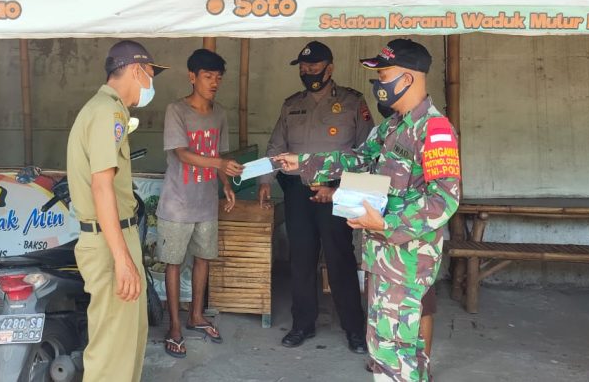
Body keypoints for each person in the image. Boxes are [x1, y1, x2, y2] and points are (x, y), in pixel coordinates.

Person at [273, 38, 461, 382]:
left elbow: (444, 199)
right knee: (386, 345)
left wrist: (386, 222)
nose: (377, 84)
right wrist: (304, 161)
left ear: (407, 79)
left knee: (394, 351)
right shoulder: (392, 127)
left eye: (383, 74)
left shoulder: (434, 130)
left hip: (406, 258)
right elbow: (357, 159)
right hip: (381, 255)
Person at [259, 41, 372, 352]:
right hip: (297, 191)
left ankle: (353, 329)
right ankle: (302, 324)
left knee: (341, 260)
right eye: (304, 67)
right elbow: (275, 146)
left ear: (330, 68)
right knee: (301, 260)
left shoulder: (353, 102)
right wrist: (265, 181)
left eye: (314, 66)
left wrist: (344, 189)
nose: (308, 71)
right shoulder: (291, 104)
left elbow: (367, 151)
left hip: (337, 190)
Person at [66, 40, 167, 381]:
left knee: (126, 343)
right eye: (151, 75)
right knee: (112, 350)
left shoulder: (108, 110)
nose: (151, 84)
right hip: (110, 242)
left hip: (115, 237)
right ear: (137, 70)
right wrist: (122, 259)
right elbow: (101, 186)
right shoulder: (106, 112)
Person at [156, 49, 242, 358]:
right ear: (192, 77)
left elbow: (221, 158)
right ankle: (175, 325)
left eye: (218, 78)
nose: (214, 83)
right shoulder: (176, 110)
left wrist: (226, 184)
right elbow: (182, 153)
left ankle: (196, 316)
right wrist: (220, 163)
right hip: (177, 204)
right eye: (208, 77)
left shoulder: (219, 113)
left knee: (204, 258)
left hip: (206, 202)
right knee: (174, 263)